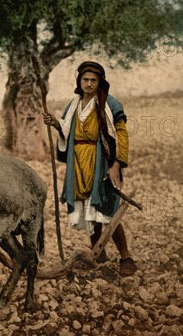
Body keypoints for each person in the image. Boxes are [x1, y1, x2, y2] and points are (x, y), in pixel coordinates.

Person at [43, 61, 138, 276]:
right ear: (79, 81)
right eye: (85, 79)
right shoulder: (74, 104)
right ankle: (98, 255)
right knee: (89, 210)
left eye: (93, 80)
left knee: (107, 209)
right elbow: (67, 131)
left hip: (101, 163)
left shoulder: (110, 104)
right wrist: (56, 125)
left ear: (100, 82)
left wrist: (116, 164)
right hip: (78, 163)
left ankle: (126, 258)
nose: (88, 84)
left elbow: (121, 135)